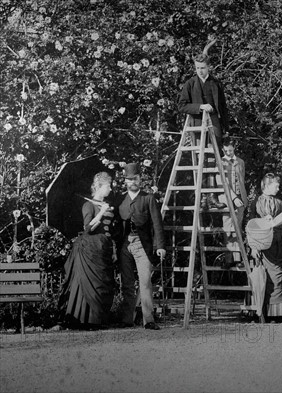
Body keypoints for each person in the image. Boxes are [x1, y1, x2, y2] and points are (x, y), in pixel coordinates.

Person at [59, 172, 116, 329]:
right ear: (99, 187)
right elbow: (88, 228)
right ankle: (84, 320)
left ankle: (98, 320)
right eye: (108, 186)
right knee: (88, 285)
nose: (110, 189)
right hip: (89, 249)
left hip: (103, 248)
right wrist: (103, 211)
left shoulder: (107, 204)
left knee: (102, 284)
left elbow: (110, 229)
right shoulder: (88, 205)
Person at [117, 163, 166, 330]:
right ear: (125, 181)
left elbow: (157, 224)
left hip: (142, 245)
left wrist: (160, 246)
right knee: (127, 283)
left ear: (140, 179)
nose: (132, 182)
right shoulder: (120, 200)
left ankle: (148, 320)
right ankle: (127, 319)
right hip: (124, 246)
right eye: (129, 179)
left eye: (135, 179)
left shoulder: (148, 198)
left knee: (145, 282)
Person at [178, 51, 229, 209]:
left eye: (203, 67)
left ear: (209, 67)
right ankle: (201, 198)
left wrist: (226, 128)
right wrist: (200, 107)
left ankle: (212, 196)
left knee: (213, 160)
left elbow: (223, 108)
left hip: (214, 125)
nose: (200, 71)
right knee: (201, 161)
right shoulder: (190, 84)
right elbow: (182, 105)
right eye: (198, 67)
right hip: (198, 125)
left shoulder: (216, 84)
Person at [249, 173, 282, 319]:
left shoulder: (279, 203)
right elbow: (251, 225)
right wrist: (254, 247)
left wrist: (278, 222)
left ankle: (280, 314)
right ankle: (263, 313)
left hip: (279, 243)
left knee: (279, 277)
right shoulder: (256, 201)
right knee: (265, 277)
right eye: (276, 185)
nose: (279, 188)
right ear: (267, 185)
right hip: (263, 242)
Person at [220, 139, 248, 268]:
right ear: (223, 150)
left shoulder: (240, 162)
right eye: (226, 151)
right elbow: (223, 183)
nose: (229, 153)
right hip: (226, 200)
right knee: (228, 229)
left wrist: (242, 198)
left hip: (240, 200)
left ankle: (238, 258)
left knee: (238, 228)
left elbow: (241, 181)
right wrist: (233, 197)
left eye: (231, 150)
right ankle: (228, 259)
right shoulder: (220, 162)